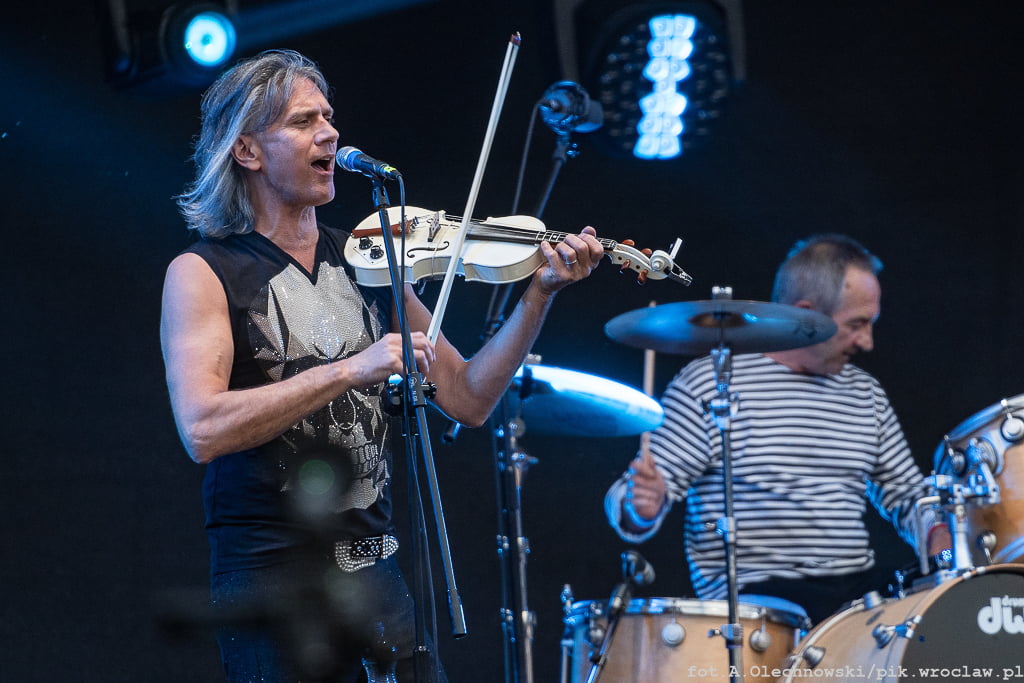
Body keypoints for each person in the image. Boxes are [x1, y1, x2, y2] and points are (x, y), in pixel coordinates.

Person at [160, 49, 604, 683]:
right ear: (247, 151)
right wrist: (350, 369)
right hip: (273, 580)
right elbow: (202, 429)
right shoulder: (204, 272)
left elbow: (468, 397)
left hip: (377, 574)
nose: (329, 132)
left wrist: (539, 295)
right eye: (302, 121)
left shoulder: (368, 260)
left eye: (328, 116)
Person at [604, 233, 949, 625]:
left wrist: (940, 537)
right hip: (760, 602)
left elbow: (909, 496)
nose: (867, 342)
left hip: (853, 598)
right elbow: (635, 497)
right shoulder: (712, 383)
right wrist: (640, 508)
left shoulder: (864, 393)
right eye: (856, 325)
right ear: (806, 316)